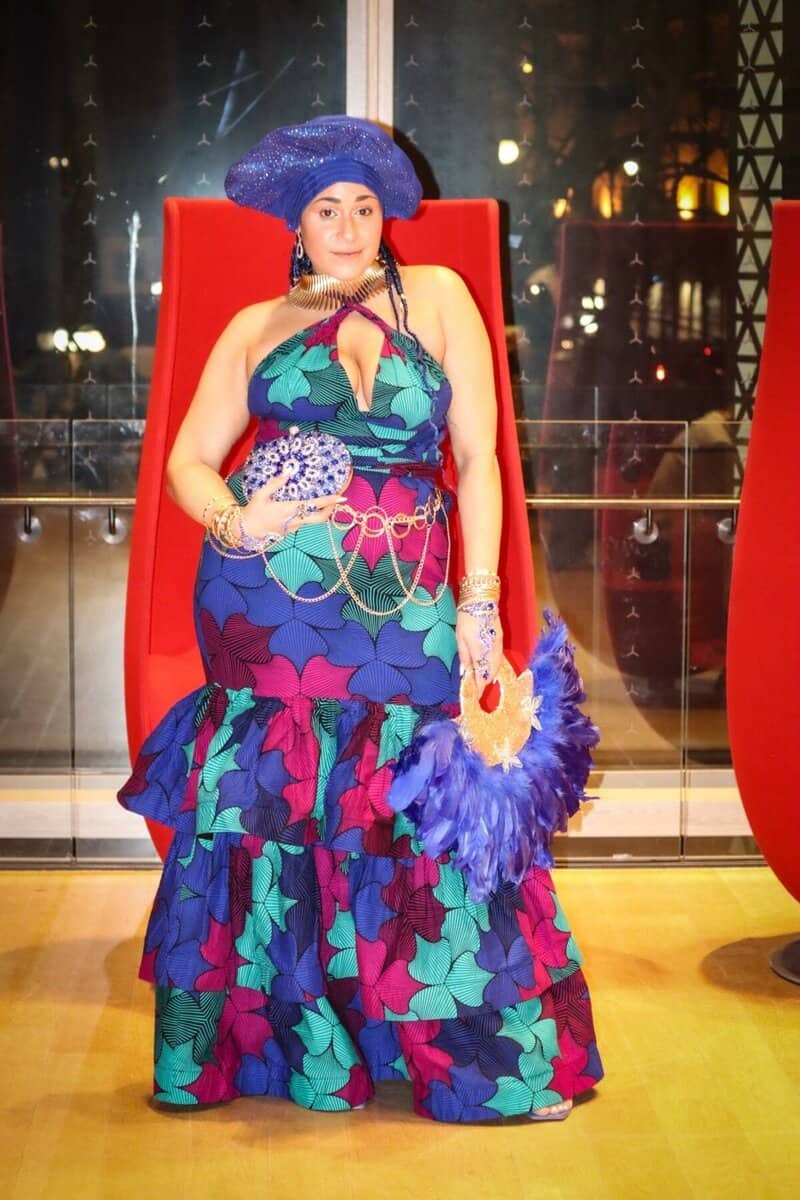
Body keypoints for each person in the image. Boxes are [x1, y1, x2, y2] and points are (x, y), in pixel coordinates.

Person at [118, 115, 603, 1122]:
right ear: (297, 225)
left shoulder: (435, 297)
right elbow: (184, 457)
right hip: (266, 608)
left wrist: (478, 604)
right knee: (276, 811)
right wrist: (235, 521)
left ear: (386, 220)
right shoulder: (254, 324)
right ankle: (303, 1048)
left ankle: (473, 1061)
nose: (346, 223)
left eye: (365, 207)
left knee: (421, 814)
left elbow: (476, 460)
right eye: (327, 208)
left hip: (404, 596)